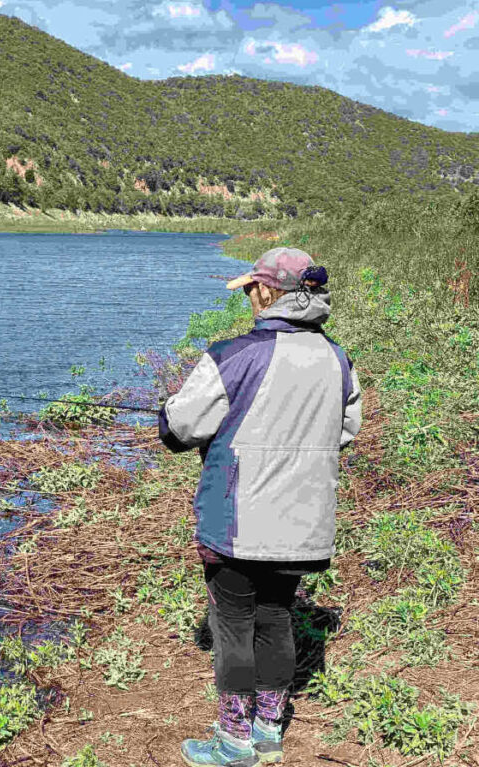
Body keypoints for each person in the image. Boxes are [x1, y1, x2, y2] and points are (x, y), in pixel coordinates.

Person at [158, 247, 362, 767]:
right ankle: (269, 730)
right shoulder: (337, 358)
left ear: (269, 291)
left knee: (232, 626)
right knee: (276, 617)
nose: (249, 296)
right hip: (305, 524)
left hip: (236, 525)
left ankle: (234, 743)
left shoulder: (232, 355)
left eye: (252, 288)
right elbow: (345, 432)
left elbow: (178, 430)